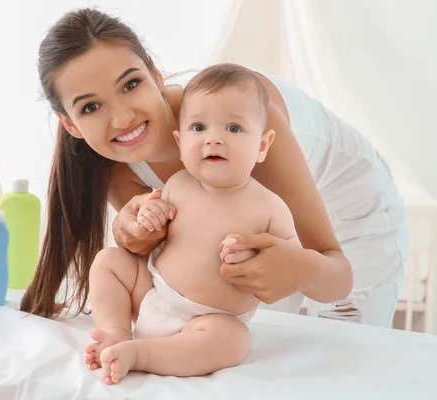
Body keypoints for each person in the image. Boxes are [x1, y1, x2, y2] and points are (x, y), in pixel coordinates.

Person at [20, 8, 407, 330]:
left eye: (131, 84)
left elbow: (334, 271)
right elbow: (175, 263)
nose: (121, 118)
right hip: (260, 230)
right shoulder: (114, 165)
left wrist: (304, 269)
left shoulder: (235, 126)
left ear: (155, 73)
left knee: (343, 343)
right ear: (69, 123)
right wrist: (133, 235)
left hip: (351, 210)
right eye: (90, 107)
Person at [82, 63, 298, 384]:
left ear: (262, 145)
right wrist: (149, 216)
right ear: (180, 142)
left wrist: (257, 260)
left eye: (234, 129)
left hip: (210, 320)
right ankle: (115, 332)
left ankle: (140, 353)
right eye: (199, 128)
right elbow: (154, 239)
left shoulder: (269, 208)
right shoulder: (177, 185)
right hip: (154, 293)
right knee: (109, 261)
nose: (214, 139)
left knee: (234, 341)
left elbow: (289, 269)